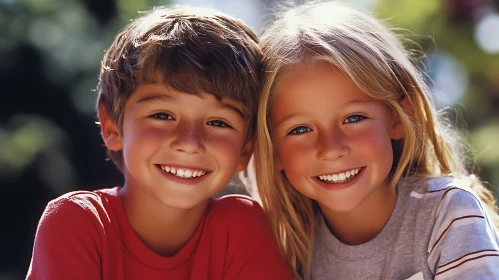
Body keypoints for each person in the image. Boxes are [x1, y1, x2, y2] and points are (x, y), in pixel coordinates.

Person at [26, 5, 293, 280]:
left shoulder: (242, 228)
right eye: (162, 115)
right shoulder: (78, 223)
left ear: (245, 149)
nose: (189, 143)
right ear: (112, 126)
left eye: (218, 123)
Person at [251, 1, 499, 279]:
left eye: (353, 118)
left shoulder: (448, 214)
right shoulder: (292, 252)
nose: (331, 149)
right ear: (273, 149)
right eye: (299, 130)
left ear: (400, 117)